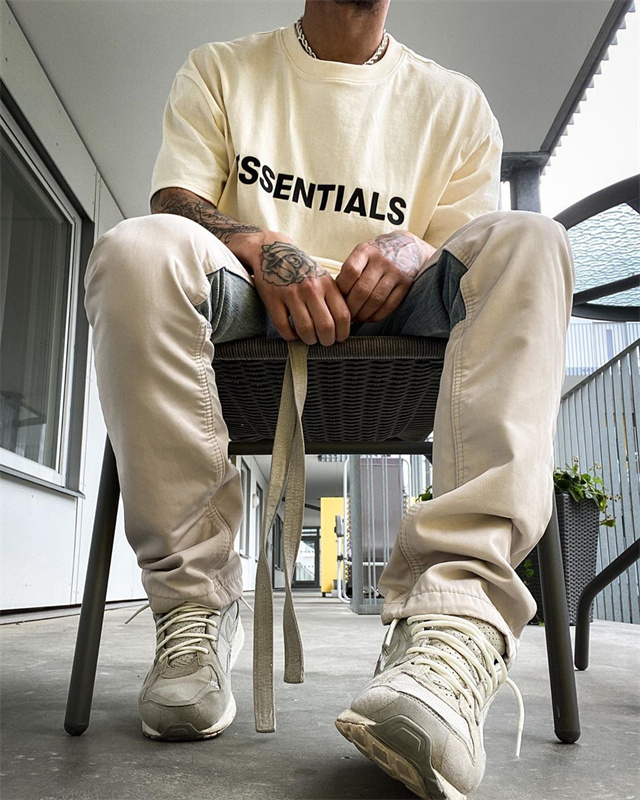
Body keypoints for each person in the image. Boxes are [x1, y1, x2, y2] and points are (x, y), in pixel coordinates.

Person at [84, 1, 574, 797]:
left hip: (402, 306)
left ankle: (451, 628)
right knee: (134, 250)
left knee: (532, 240)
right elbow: (175, 200)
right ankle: (194, 607)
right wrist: (261, 244)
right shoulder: (222, 68)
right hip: (247, 296)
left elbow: (467, 244)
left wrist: (415, 247)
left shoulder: (455, 103)